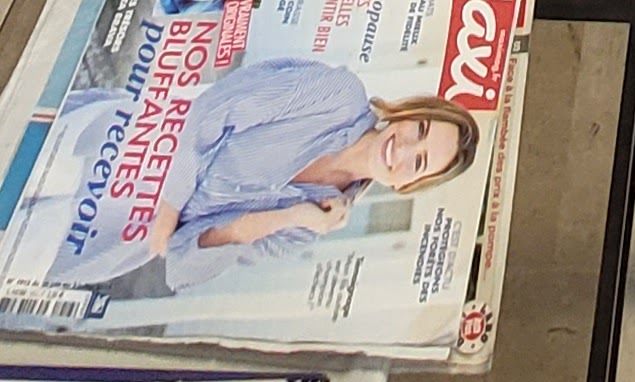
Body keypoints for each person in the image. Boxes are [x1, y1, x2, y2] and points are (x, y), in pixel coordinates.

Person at [49, 58, 478, 297]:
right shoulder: (338, 96)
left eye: (418, 163)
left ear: (407, 186)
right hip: (120, 145)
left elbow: (185, 264)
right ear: (408, 113)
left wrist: (290, 216)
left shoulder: (314, 223)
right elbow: (215, 109)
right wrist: (170, 207)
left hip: (110, 238)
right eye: (419, 130)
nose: (402, 151)